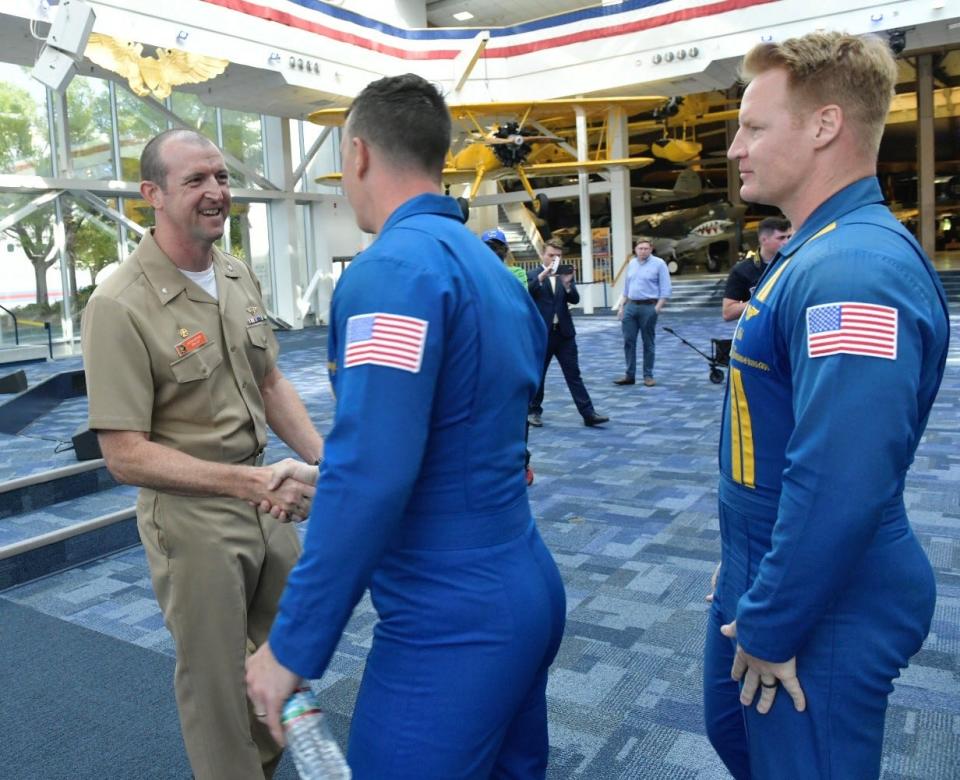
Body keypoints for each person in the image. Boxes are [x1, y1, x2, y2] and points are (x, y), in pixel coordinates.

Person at [245, 74, 566, 779]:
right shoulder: (488, 269)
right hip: (523, 580)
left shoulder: (391, 271)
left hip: (451, 619)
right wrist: (329, 479)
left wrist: (292, 643)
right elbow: (457, 433)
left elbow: (378, 472)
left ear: (358, 155)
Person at [705, 31, 949, 780]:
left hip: (829, 597)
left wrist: (774, 619)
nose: (735, 147)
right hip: (776, 562)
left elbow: (842, 479)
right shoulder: (816, 250)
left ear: (824, 126)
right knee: (735, 736)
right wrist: (741, 564)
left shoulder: (852, 271)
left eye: (754, 125)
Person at [81, 128, 325, 780]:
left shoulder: (237, 274)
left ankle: (267, 767)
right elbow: (125, 455)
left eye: (220, 176)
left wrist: (330, 465)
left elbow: (270, 382)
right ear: (151, 195)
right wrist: (245, 484)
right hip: (193, 517)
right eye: (196, 181)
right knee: (216, 685)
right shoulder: (118, 304)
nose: (217, 192)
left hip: (267, 501)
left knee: (288, 653)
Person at [526, 238, 609, 427]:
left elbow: (575, 299)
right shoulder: (533, 274)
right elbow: (529, 293)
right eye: (551, 255)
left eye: (558, 256)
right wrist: (543, 276)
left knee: (574, 374)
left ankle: (588, 413)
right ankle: (533, 412)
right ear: (542, 255)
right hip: (542, 334)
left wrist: (568, 284)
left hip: (564, 335)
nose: (554, 259)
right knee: (538, 374)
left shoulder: (564, 275)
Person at [483, 226, 536, 486]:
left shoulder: (516, 274)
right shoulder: (475, 275)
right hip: (486, 356)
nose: (493, 253)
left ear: (505, 251)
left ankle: (521, 463)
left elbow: (516, 303)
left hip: (513, 353)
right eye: (488, 248)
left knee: (516, 413)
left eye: (496, 248)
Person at [613, 238, 671, 387]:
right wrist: (621, 307)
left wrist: (657, 309)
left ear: (651, 249)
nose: (643, 251)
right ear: (635, 249)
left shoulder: (659, 264)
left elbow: (665, 289)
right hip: (631, 306)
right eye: (640, 248)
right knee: (628, 341)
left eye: (646, 248)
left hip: (649, 307)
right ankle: (629, 375)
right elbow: (626, 288)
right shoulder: (632, 263)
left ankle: (648, 375)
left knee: (648, 342)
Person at [721, 217, 791, 321]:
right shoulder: (742, 270)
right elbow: (728, 313)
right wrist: (761, 301)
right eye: (781, 238)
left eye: (789, 237)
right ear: (763, 240)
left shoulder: (796, 264)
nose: (787, 242)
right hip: (761, 330)